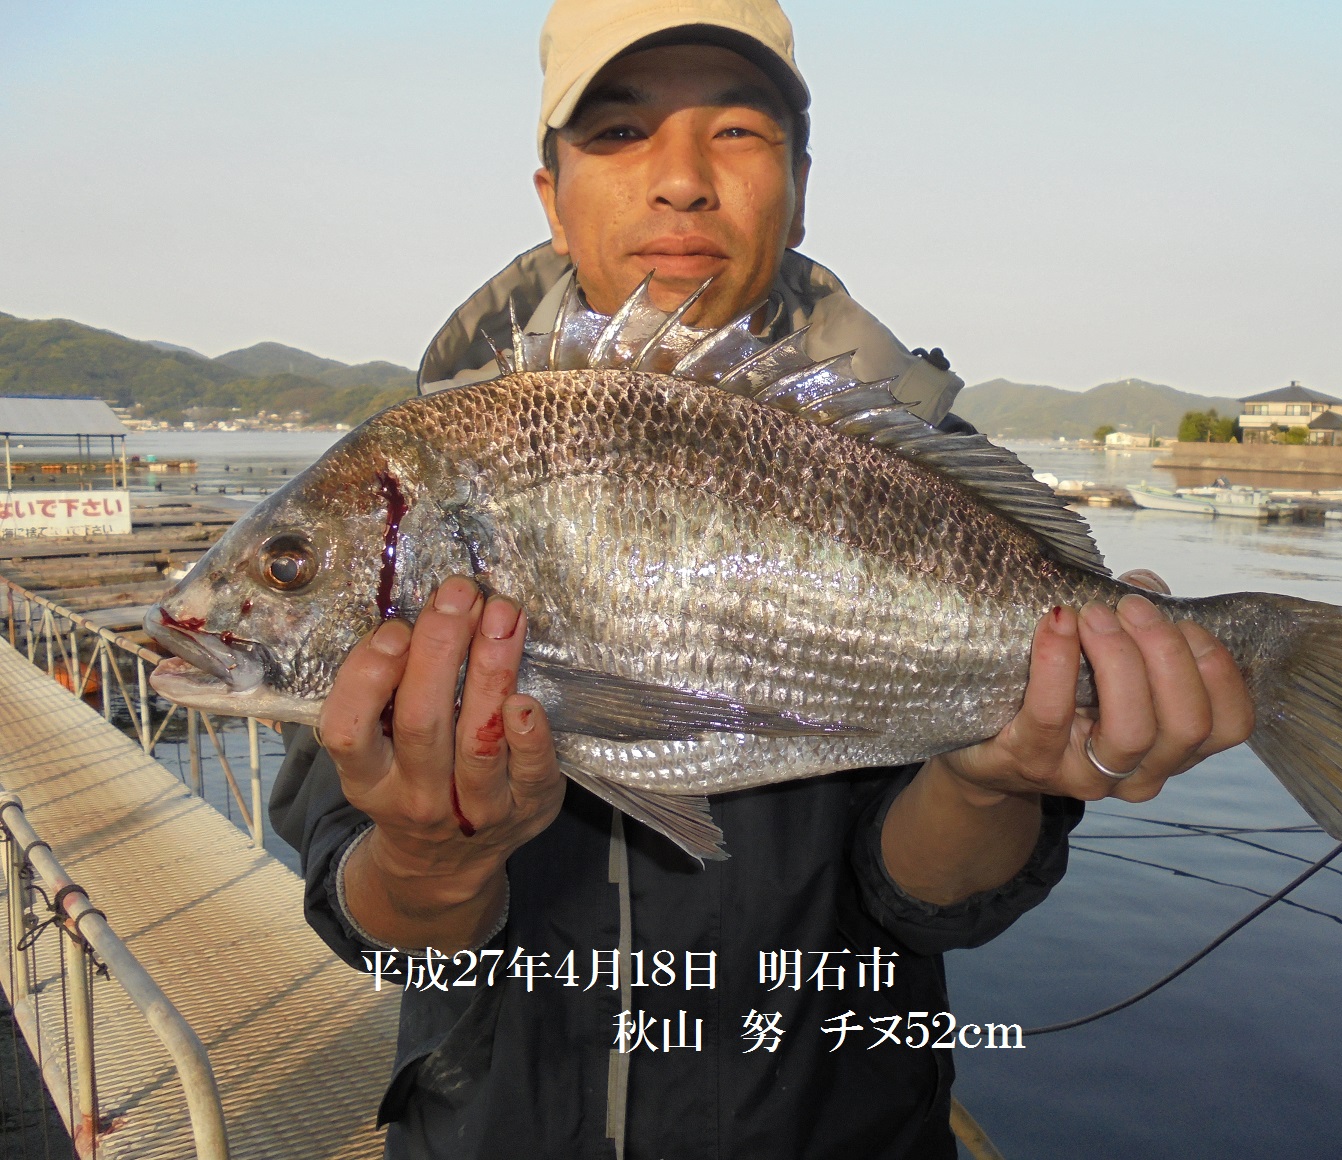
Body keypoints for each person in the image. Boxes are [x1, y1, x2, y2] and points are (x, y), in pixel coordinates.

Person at [270, 2, 1255, 1156]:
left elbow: (925, 901)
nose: (681, 180)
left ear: (799, 183)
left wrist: (990, 780)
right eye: (620, 130)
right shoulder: (427, 469)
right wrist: (430, 858)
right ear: (550, 193)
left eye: (736, 130)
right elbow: (373, 919)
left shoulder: (914, 459)